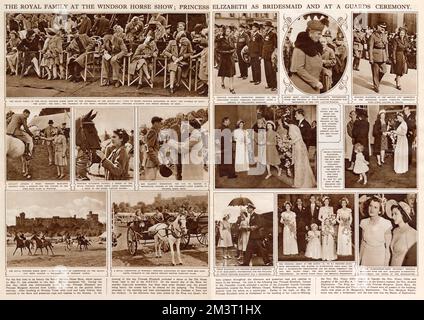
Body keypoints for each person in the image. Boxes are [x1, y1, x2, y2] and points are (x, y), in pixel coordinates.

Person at [289, 19, 325, 94]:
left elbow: (314, 64)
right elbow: (299, 69)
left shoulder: (314, 46)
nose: (320, 36)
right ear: (310, 33)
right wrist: (315, 82)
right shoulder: (300, 47)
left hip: (313, 87)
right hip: (303, 87)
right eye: (318, 34)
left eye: (320, 34)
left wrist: (324, 70)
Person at [360, 196, 392, 266]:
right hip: (366, 256)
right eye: (370, 206)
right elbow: (363, 243)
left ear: (379, 210)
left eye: (375, 207)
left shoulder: (386, 224)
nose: (371, 209)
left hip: (379, 257)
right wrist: (359, 260)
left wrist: (386, 265)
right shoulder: (363, 222)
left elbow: (387, 249)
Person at [284, 118, 316, 188]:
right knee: (302, 164)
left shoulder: (291, 127)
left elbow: (298, 137)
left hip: (298, 147)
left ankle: (299, 183)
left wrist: (290, 142)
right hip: (298, 147)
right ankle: (302, 182)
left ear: (285, 121)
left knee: (298, 165)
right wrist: (288, 141)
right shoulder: (294, 126)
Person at [387, 201, 417, 266]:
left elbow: (413, 260)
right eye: (392, 214)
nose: (393, 217)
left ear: (403, 214)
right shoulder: (395, 231)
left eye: (395, 214)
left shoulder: (412, 233)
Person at [369, 22, 388, 93]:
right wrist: (370, 58)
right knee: (375, 72)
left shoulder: (384, 35)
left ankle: (376, 82)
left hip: (383, 55)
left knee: (384, 70)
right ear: (377, 26)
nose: (383, 28)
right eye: (381, 26)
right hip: (375, 55)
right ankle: (376, 86)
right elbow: (370, 47)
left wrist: (387, 55)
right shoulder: (373, 35)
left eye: (384, 27)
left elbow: (386, 46)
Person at [216, 25, 236, 94]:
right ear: (224, 31)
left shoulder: (231, 38)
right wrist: (225, 52)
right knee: (223, 72)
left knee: (231, 73)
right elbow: (217, 49)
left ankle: (231, 87)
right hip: (223, 57)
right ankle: (222, 82)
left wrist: (232, 51)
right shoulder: (220, 39)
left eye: (229, 31)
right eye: (227, 31)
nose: (229, 32)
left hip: (230, 57)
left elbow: (234, 47)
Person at [318, 196, 337, 261]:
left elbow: (332, 217)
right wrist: (324, 221)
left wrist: (331, 221)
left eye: (327, 201)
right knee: (324, 239)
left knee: (330, 239)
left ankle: (330, 255)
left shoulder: (331, 208)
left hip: (330, 224)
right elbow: (319, 217)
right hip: (324, 224)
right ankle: (325, 255)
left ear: (329, 202)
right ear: (324, 202)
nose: (326, 202)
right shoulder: (321, 208)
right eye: (325, 201)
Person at [262, 20, 277, 91]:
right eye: (264, 26)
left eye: (265, 26)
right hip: (265, 55)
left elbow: (275, 46)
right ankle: (269, 84)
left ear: (269, 26)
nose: (264, 27)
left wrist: (273, 54)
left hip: (270, 55)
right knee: (267, 71)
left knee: (271, 71)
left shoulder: (273, 34)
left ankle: (274, 85)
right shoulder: (266, 34)